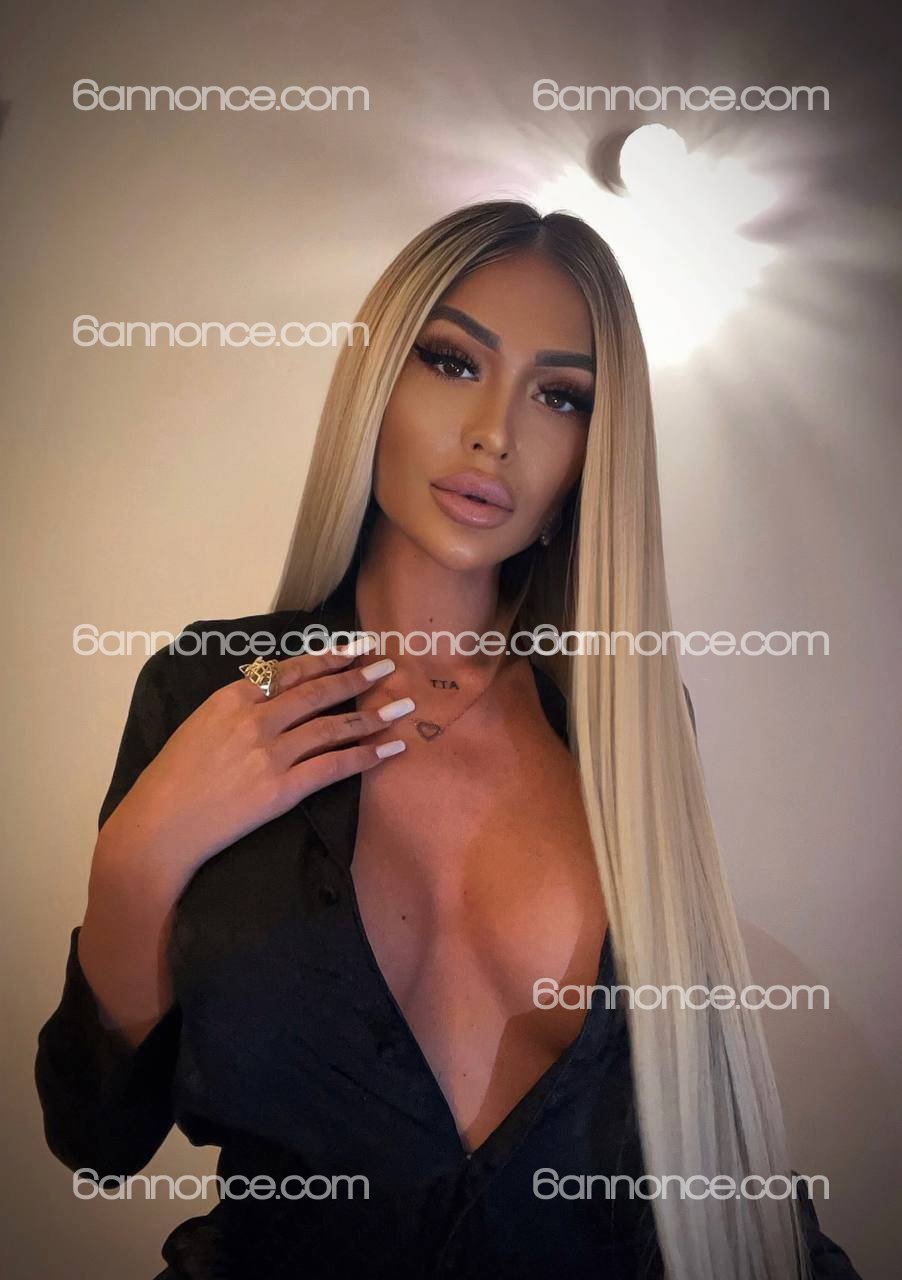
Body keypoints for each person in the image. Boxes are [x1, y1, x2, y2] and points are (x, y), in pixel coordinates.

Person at [35, 201, 861, 1279]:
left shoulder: (628, 730)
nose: (494, 433)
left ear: (590, 455)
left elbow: (706, 1122)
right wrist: (136, 856)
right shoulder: (213, 688)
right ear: (378, 384)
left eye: (560, 396)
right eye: (453, 361)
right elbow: (97, 1139)